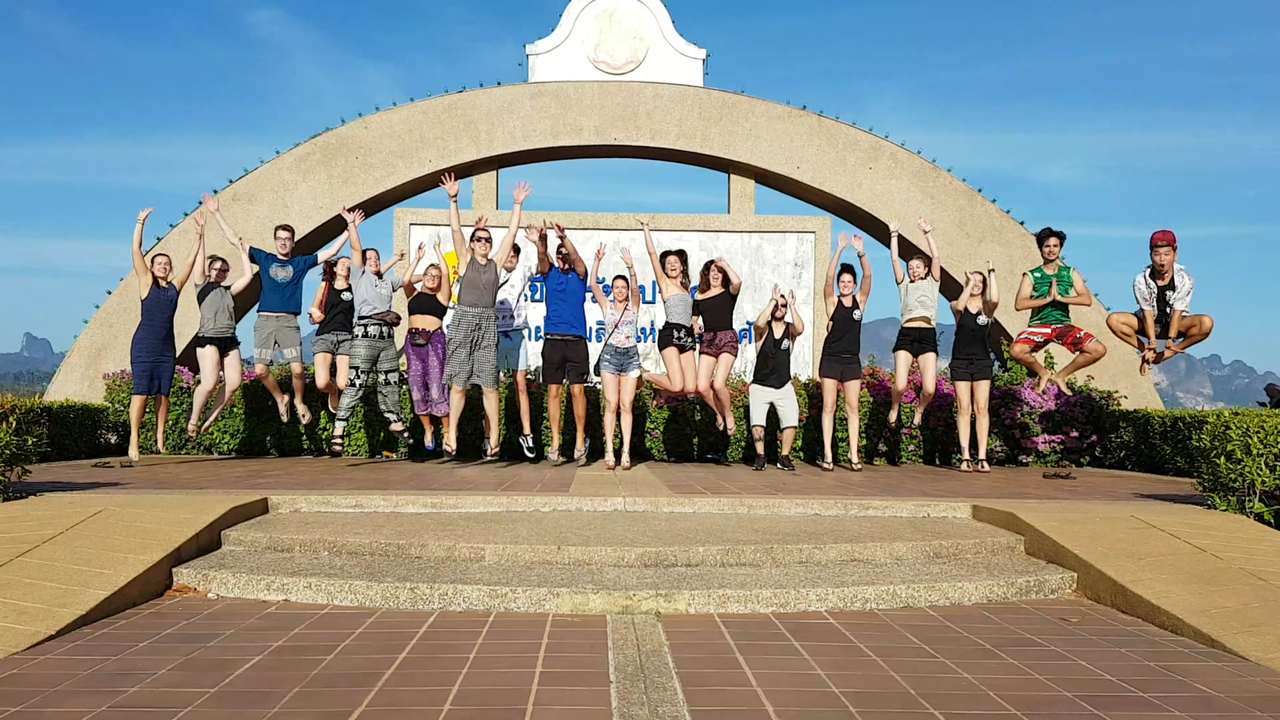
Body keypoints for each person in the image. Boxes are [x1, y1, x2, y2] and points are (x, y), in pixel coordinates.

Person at [202, 193, 350, 425]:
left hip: (289, 323)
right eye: (279, 238)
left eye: (287, 239)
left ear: (293, 242)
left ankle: (299, 401)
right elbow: (236, 241)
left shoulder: (300, 263)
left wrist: (349, 227)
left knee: (298, 370)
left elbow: (330, 253)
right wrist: (216, 213)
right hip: (265, 322)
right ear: (275, 241)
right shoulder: (265, 258)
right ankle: (281, 398)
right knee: (261, 370)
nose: (283, 242)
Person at [439, 173, 532, 460]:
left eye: (486, 240)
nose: (483, 242)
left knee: (490, 384)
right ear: (472, 243)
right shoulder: (466, 261)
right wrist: (453, 199)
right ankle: (451, 432)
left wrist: (517, 205)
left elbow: (511, 235)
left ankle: (494, 437)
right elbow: (456, 231)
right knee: (459, 383)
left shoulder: (495, 264)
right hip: (464, 319)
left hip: (487, 321)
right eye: (478, 239)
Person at [330, 207, 409, 455]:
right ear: (363, 263)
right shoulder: (359, 275)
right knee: (356, 383)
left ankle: (395, 420)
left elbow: (407, 280)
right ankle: (338, 429)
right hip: (365, 333)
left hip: (386, 336)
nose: (373, 260)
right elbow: (355, 249)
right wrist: (353, 226)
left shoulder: (385, 282)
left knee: (390, 381)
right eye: (370, 257)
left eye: (377, 257)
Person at [127, 207, 201, 463]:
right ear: (152, 267)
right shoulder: (146, 283)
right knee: (141, 393)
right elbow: (136, 252)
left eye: (167, 264)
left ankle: (160, 437)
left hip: (166, 349)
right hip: (144, 347)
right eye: (159, 263)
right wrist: (140, 223)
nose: (163, 267)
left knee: (164, 394)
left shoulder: (174, 287)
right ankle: (134, 439)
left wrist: (198, 236)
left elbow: (190, 265)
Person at [1012, 227, 1107, 394]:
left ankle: (1061, 376)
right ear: (1041, 248)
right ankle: (1043, 372)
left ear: (1060, 248)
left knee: (1098, 349)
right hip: (1040, 324)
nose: (1051, 250)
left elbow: (1086, 299)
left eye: (1055, 246)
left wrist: (1060, 298)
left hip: (1062, 325)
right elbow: (1020, 304)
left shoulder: (1070, 273)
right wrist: (1046, 299)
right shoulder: (1031, 275)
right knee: (1016, 350)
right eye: (1047, 246)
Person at [1106, 230, 1214, 376]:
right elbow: (1147, 313)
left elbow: (1177, 312)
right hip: (1147, 323)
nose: (1162, 260)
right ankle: (1145, 351)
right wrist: (1151, 344)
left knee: (1206, 323)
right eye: (1157, 254)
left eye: (1167, 254)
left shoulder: (1185, 280)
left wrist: (1171, 341)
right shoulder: (1141, 280)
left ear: (1175, 255)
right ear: (1151, 256)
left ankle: (1168, 354)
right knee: (1113, 320)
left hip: (1174, 323)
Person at [187, 212, 254, 437]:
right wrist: (201, 233)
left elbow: (249, 277)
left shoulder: (228, 291)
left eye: (224, 270)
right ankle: (194, 419)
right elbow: (199, 261)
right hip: (208, 338)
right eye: (216, 269)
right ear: (209, 271)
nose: (220, 273)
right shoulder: (202, 286)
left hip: (229, 339)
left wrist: (243, 252)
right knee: (209, 382)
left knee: (234, 382)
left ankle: (212, 416)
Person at [538, 222, 591, 464]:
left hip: (576, 341)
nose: (564, 257)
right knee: (554, 392)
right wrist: (543, 240)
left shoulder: (580, 275)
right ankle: (556, 441)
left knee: (578, 391)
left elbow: (578, 258)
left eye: (565, 254)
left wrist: (564, 238)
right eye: (559, 254)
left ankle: (581, 438)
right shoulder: (549, 275)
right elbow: (542, 255)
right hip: (553, 341)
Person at [819, 233, 873, 472]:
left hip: (851, 362)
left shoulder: (860, 301)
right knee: (829, 406)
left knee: (852, 408)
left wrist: (860, 252)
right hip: (830, 360)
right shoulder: (833, 302)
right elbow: (829, 278)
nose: (846, 284)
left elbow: (869, 276)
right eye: (843, 282)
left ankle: (853, 454)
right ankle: (828, 455)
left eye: (850, 282)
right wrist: (839, 249)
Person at [588, 244, 642, 470]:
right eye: (616, 287)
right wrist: (597, 261)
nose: (620, 291)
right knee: (611, 403)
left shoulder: (634, 306)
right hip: (610, 356)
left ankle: (625, 452)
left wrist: (630, 267)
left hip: (630, 357)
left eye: (623, 287)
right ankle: (609, 449)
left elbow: (637, 290)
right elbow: (592, 285)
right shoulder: (607, 306)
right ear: (612, 290)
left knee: (626, 404)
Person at [888, 218, 942, 428]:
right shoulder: (905, 285)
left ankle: (919, 410)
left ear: (926, 270)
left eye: (918, 267)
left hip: (927, 336)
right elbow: (894, 260)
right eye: (911, 267)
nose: (914, 270)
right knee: (900, 385)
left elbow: (936, 257)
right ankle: (895, 407)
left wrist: (927, 234)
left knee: (929, 389)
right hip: (906, 335)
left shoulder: (932, 283)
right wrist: (894, 235)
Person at [403, 236, 452, 451]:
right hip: (413, 344)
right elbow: (405, 280)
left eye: (436, 276)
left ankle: (448, 432)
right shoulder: (413, 294)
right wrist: (418, 259)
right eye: (429, 275)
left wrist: (438, 250)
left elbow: (448, 274)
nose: (433, 278)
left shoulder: (441, 297)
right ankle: (427, 428)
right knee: (415, 386)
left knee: (436, 387)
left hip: (434, 342)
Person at [638, 217, 697, 396]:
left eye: (675, 262)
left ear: (682, 266)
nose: (672, 265)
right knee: (678, 385)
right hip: (671, 333)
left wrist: (695, 323)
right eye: (668, 263)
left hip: (687, 335)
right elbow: (653, 255)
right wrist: (646, 227)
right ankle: (645, 376)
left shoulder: (686, 288)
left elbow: (690, 313)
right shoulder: (665, 283)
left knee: (690, 388)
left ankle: (661, 393)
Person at [950, 263, 999, 473]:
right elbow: (959, 306)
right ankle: (965, 456)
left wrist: (991, 273)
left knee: (981, 408)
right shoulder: (957, 305)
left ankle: (981, 456)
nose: (976, 285)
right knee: (964, 407)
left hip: (982, 362)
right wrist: (968, 284)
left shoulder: (987, 309)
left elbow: (995, 299)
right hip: (960, 361)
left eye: (980, 282)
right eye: (973, 281)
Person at [749, 286, 805, 472]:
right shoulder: (763, 330)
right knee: (757, 422)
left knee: (791, 420)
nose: (779, 308)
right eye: (777, 305)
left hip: (783, 385)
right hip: (760, 385)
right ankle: (760, 456)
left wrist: (792, 305)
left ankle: (784, 457)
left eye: (782, 306)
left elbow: (800, 328)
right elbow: (757, 323)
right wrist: (772, 302)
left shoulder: (790, 330)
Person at [495, 229, 538, 458]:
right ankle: (490, 437)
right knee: (490, 386)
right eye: (508, 255)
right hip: (494, 335)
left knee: (520, 383)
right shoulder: (492, 273)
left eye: (514, 256)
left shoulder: (522, 272)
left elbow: (541, 264)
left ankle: (527, 434)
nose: (511, 259)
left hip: (517, 334)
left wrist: (536, 242)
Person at [693, 257, 743, 436]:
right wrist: (695, 326)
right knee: (702, 386)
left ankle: (728, 414)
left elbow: (737, 282)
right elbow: (693, 319)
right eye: (712, 270)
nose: (715, 273)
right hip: (708, 340)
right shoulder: (699, 296)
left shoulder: (728, 292)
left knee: (719, 384)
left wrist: (725, 265)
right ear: (707, 274)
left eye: (719, 271)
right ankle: (718, 413)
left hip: (726, 338)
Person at [309, 256, 354, 413]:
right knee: (322, 383)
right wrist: (314, 311)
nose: (346, 266)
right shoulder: (325, 286)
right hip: (324, 335)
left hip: (347, 337)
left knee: (344, 383)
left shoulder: (355, 287)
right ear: (334, 268)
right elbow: (314, 306)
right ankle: (333, 390)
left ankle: (339, 390)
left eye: (349, 265)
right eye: (343, 263)